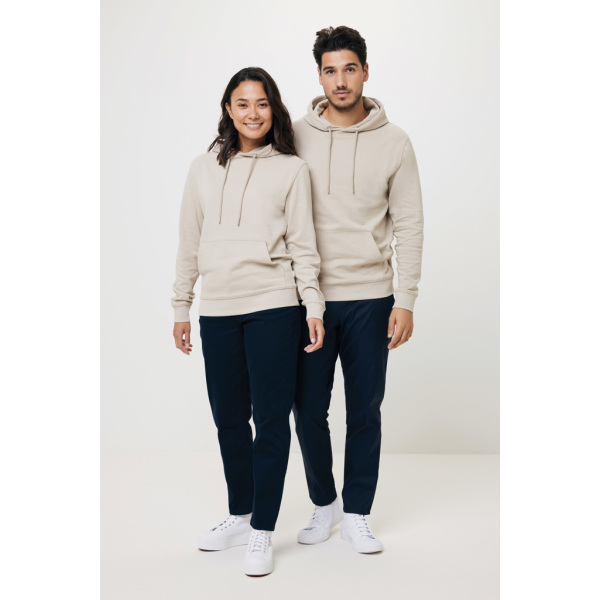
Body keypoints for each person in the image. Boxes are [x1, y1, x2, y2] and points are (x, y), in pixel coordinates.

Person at [171, 67, 325, 576]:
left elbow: (303, 246)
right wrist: (181, 305)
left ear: (273, 109)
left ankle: (262, 527)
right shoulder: (201, 169)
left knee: (271, 419)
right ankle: (240, 514)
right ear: (228, 109)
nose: (253, 113)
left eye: (262, 103)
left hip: (274, 306)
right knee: (229, 418)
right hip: (218, 308)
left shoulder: (291, 170)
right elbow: (189, 241)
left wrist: (314, 306)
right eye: (243, 103)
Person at [292, 26, 424, 553]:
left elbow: (409, 223)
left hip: (372, 297)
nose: (340, 80)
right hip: (309, 300)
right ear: (319, 75)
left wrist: (406, 299)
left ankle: (357, 511)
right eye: (330, 70)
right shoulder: (294, 136)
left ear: (366, 71)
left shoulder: (395, 142)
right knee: (307, 409)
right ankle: (324, 502)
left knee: (365, 410)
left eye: (349, 69)